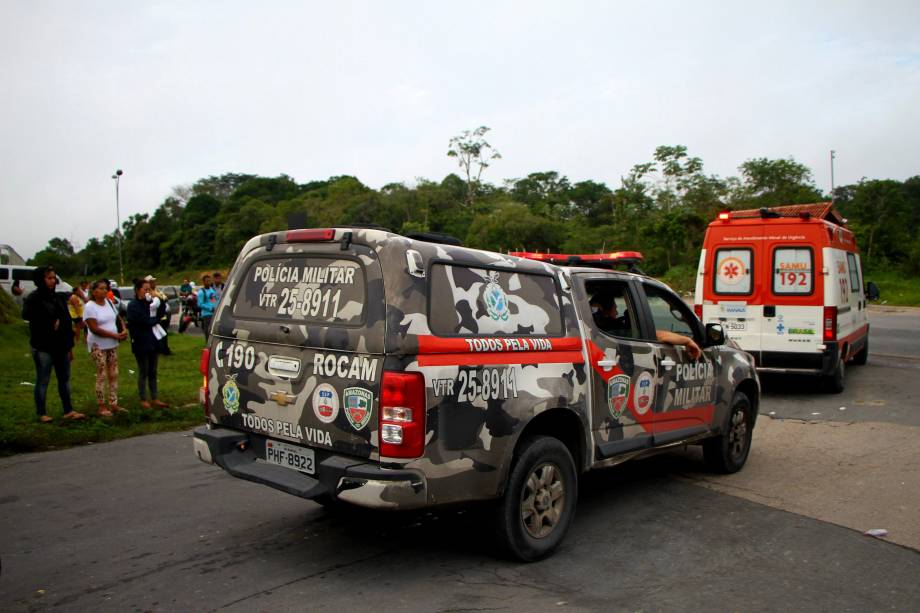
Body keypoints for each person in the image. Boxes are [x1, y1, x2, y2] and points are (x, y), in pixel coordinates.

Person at [21, 266, 86, 423]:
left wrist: (69, 345)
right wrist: (47, 320)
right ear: (40, 280)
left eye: (53, 278)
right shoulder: (34, 298)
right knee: (43, 379)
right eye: (48, 278)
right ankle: (41, 412)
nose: (52, 281)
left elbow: (65, 321)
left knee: (64, 379)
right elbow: (27, 315)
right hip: (43, 346)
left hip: (61, 345)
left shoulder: (58, 298)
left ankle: (68, 410)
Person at [84, 279, 128, 417]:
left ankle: (113, 403)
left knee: (113, 373)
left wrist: (124, 330)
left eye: (106, 288)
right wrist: (113, 334)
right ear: (94, 291)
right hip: (98, 345)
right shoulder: (90, 306)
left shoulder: (109, 302)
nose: (105, 291)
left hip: (112, 344)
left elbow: (118, 318)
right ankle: (101, 405)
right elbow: (94, 328)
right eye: (101, 288)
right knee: (101, 374)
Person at [127, 278, 170, 409]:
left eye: (149, 289)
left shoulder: (151, 303)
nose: (148, 292)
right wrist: (155, 320)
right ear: (137, 290)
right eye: (145, 289)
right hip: (140, 341)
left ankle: (155, 397)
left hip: (153, 341)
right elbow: (145, 321)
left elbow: (161, 313)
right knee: (143, 370)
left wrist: (159, 300)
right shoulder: (133, 305)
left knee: (153, 371)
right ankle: (143, 398)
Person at [144, 274, 172, 355]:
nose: (154, 283)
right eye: (152, 282)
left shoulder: (157, 290)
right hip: (154, 316)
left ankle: (165, 349)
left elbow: (165, 298)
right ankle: (160, 349)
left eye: (154, 282)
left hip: (162, 314)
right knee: (156, 333)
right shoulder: (148, 292)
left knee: (163, 333)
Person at [197, 274, 219, 342]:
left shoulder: (212, 290)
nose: (208, 282)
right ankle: (208, 343)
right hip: (207, 314)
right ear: (203, 282)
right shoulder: (201, 292)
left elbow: (215, 299)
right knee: (207, 330)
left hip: (214, 313)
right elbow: (200, 304)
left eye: (209, 281)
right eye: (207, 281)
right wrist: (210, 308)